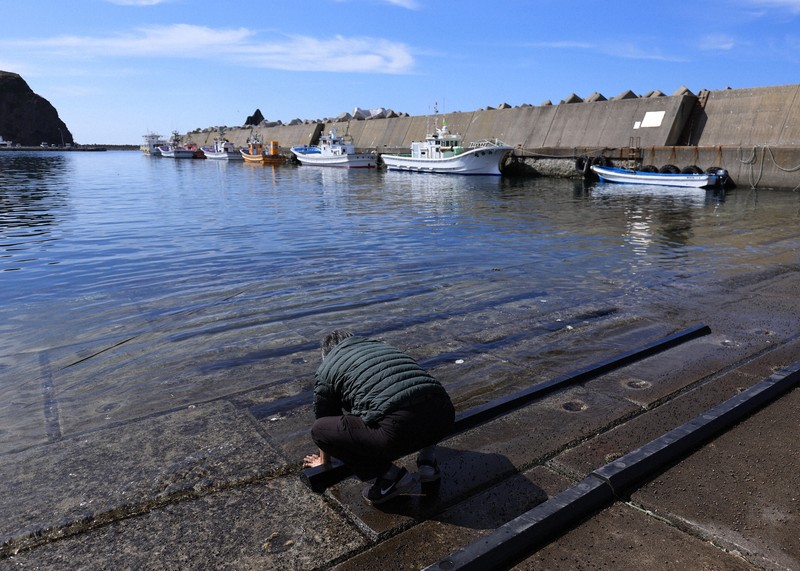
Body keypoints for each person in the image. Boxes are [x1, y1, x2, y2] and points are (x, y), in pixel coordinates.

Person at [303, 329, 455, 505]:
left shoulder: (327, 368)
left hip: (399, 429)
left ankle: (391, 477)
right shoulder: (381, 346)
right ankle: (428, 462)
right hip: (445, 416)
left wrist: (323, 463)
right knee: (420, 400)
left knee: (319, 430)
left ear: (325, 354)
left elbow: (324, 419)